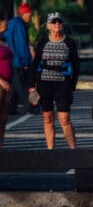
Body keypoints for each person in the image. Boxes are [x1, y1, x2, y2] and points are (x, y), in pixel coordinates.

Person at [29, 12, 80, 149]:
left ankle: (73, 151)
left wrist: (72, 86)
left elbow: (76, 65)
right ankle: (50, 151)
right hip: (44, 83)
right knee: (48, 118)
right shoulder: (43, 42)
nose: (57, 24)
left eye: (59, 22)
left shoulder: (69, 42)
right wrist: (31, 87)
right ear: (48, 26)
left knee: (64, 119)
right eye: (53, 22)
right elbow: (35, 64)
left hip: (63, 83)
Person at [5, 2, 34, 115]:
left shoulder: (12, 23)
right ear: (24, 14)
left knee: (15, 86)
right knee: (23, 86)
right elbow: (21, 45)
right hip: (19, 61)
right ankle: (30, 106)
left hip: (12, 60)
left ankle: (11, 108)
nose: (30, 18)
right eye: (30, 15)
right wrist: (26, 61)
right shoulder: (19, 25)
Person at [0, 14, 12, 146]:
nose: (7, 23)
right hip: (0, 82)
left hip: (8, 83)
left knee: (3, 119)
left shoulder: (4, 38)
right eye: (5, 21)